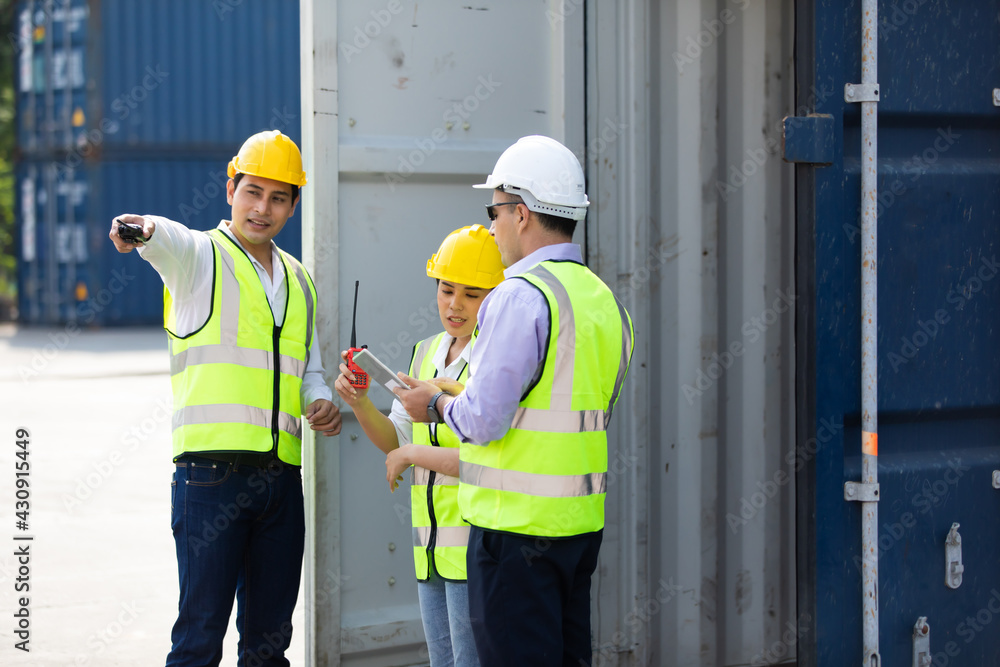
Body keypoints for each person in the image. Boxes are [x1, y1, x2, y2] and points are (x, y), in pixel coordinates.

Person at [394, 135, 634, 666]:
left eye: (495, 211)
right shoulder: (605, 302)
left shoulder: (519, 295)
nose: (492, 227)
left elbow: (483, 420)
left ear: (521, 213)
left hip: (514, 534)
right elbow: (572, 409)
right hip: (578, 529)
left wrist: (433, 405)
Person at [108, 129, 342, 667]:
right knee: (199, 639)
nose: (262, 208)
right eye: (252, 191)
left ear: (293, 205)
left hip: (281, 480)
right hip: (211, 478)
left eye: (278, 197)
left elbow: (309, 367)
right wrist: (143, 230)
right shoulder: (199, 259)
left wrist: (320, 399)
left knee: (269, 644)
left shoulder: (300, 280)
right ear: (230, 189)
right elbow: (167, 237)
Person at [335, 224, 504, 667]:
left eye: (472, 294)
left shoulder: (497, 360)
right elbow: (398, 439)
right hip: (430, 548)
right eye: (446, 290)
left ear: (497, 296)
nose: (455, 304)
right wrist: (361, 402)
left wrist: (410, 454)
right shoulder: (424, 352)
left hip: (477, 550)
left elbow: (488, 459)